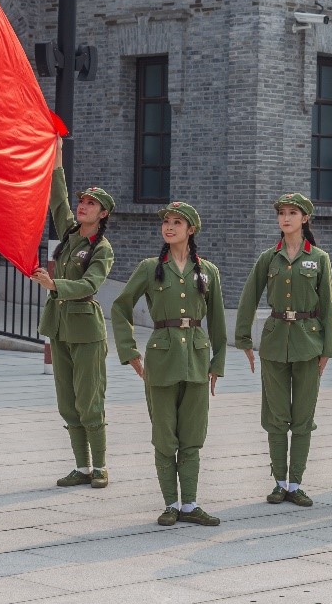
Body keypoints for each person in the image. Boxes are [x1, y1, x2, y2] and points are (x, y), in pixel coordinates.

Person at [111, 201, 227, 526]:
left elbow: (217, 322)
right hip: (161, 359)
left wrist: (217, 363)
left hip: (197, 359)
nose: (170, 227)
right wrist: (128, 350)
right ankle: (170, 504)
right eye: (166, 222)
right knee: (165, 435)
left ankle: (190, 504)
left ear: (191, 230)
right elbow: (120, 307)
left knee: (192, 435)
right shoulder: (150, 268)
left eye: (178, 222)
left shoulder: (208, 271)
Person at [234, 193, 332, 507]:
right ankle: (279, 482)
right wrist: (244, 341)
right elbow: (249, 297)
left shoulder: (319, 258)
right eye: (282, 213)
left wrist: (327, 350)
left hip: (309, 342)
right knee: (276, 416)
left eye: (293, 213)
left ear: (305, 218)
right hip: (275, 343)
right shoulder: (268, 257)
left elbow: (328, 306)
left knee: (303, 417)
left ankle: (296, 483)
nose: (286, 218)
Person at [28, 141, 115, 489]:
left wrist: (54, 285)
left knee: (89, 400)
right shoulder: (69, 231)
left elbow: (91, 284)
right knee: (68, 401)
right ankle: (81, 467)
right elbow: (58, 197)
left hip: (86, 330)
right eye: (83, 201)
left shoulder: (102, 249)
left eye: (91, 204)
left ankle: (101, 466)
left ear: (103, 213)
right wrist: (56, 153)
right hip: (60, 327)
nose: (82, 206)